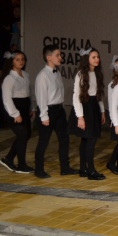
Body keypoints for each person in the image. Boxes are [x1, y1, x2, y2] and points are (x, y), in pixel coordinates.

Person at [34, 44, 78, 178]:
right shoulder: (42, 76)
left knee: (64, 139)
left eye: (60, 54)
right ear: (48, 57)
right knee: (44, 141)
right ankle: (39, 169)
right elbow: (41, 97)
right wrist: (44, 116)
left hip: (59, 110)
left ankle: (65, 167)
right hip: (47, 111)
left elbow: (60, 93)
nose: (60, 57)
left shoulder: (57, 72)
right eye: (57, 55)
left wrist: (63, 109)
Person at [68, 48, 106, 181]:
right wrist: (80, 117)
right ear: (86, 59)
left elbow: (98, 94)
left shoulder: (97, 73)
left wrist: (102, 110)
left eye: (97, 57)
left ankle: (83, 168)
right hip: (85, 108)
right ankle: (91, 171)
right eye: (93, 57)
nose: (97, 59)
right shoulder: (81, 74)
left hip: (94, 106)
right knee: (90, 139)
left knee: (86, 139)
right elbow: (76, 96)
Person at [0, 51, 35, 174]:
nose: (21, 62)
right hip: (14, 109)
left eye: (22, 59)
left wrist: (32, 107)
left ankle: (8, 159)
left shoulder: (25, 74)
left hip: (24, 108)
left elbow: (29, 93)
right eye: (17, 59)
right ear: (11, 61)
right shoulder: (9, 77)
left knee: (26, 135)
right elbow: (7, 99)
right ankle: (21, 165)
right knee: (22, 135)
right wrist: (15, 114)